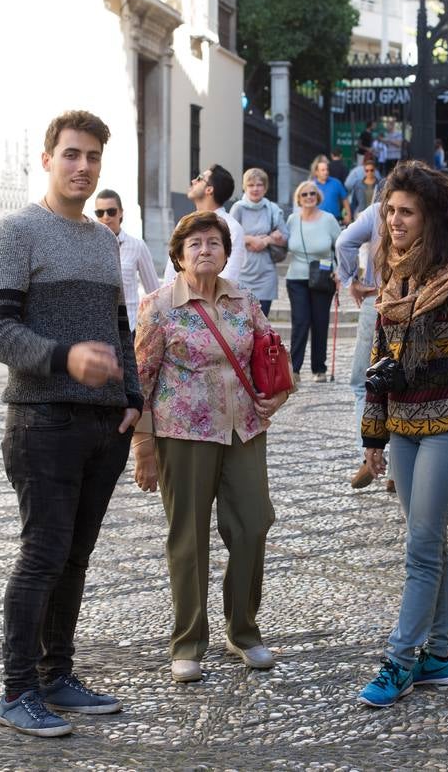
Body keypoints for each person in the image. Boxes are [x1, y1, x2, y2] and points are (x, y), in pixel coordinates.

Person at [0, 109, 143, 737]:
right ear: (46, 159)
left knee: (75, 558)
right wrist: (64, 358)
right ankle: (18, 690)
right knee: (42, 556)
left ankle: (58, 677)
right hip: (41, 421)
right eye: (71, 154)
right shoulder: (16, 232)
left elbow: (120, 329)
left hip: (105, 428)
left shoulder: (106, 242)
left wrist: (132, 395)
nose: (82, 167)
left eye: (93, 157)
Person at [356, 161, 448, 708]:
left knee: (421, 545)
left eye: (407, 213)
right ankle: (442, 654)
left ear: (432, 216)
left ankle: (399, 659)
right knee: (430, 540)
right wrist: (372, 437)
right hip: (403, 427)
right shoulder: (394, 274)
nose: (394, 222)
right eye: (390, 211)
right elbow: (380, 360)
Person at [131, 211, 292, 684]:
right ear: (179, 255)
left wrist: (280, 395)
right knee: (189, 536)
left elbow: (271, 356)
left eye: (214, 242)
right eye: (195, 243)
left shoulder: (244, 301)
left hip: (244, 429)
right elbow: (141, 379)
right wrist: (142, 445)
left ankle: (242, 630)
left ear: (227, 252)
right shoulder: (158, 307)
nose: (205, 250)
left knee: (253, 524)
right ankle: (187, 642)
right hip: (183, 433)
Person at [334, 201, 392, 494]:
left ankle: (369, 457)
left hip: (378, 296)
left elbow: (344, 241)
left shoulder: (379, 209)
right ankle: (398, 469)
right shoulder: (430, 207)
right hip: (421, 299)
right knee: (402, 384)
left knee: (363, 382)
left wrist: (350, 279)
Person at [285, 180, 341, 384]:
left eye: (312, 194)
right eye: (304, 194)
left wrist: (339, 271)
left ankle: (319, 368)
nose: (308, 197)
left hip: (323, 278)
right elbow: (283, 241)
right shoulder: (291, 220)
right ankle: (294, 369)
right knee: (300, 322)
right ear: (298, 199)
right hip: (296, 278)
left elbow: (341, 245)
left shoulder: (328, 220)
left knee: (319, 323)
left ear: (318, 197)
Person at [163, 165, 245, 285]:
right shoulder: (184, 223)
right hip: (182, 299)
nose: (193, 181)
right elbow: (172, 267)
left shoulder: (232, 227)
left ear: (209, 189)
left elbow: (230, 275)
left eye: (200, 178)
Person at [92, 189, 158, 331]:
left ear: (121, 212)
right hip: (99, 329)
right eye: (100, 213)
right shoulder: (88, 247)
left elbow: (155, 293)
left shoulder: (137, 246)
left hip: (130, 328)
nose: (105, 217)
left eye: (111, 211)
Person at [230, 167, 288, 316]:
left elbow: (286, 237)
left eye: (259, 185)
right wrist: (250, 239)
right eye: (251, 185)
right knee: (242, 323)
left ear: (265, 187)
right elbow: (227, 237)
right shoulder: (238, 209)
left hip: (265, 273)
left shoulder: (272, 209)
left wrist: (267, 240)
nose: (255, 189)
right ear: (245, 187)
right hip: (242, 273)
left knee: (262, 324)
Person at [310, 154, 351, 225]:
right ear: (317, 172)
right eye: (323, 170)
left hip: (335, 219)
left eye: (327, 170)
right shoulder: (312, 186)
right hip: (317, 220)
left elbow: (345, 199)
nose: (326, 172)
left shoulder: (336, 183)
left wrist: (348, 215)